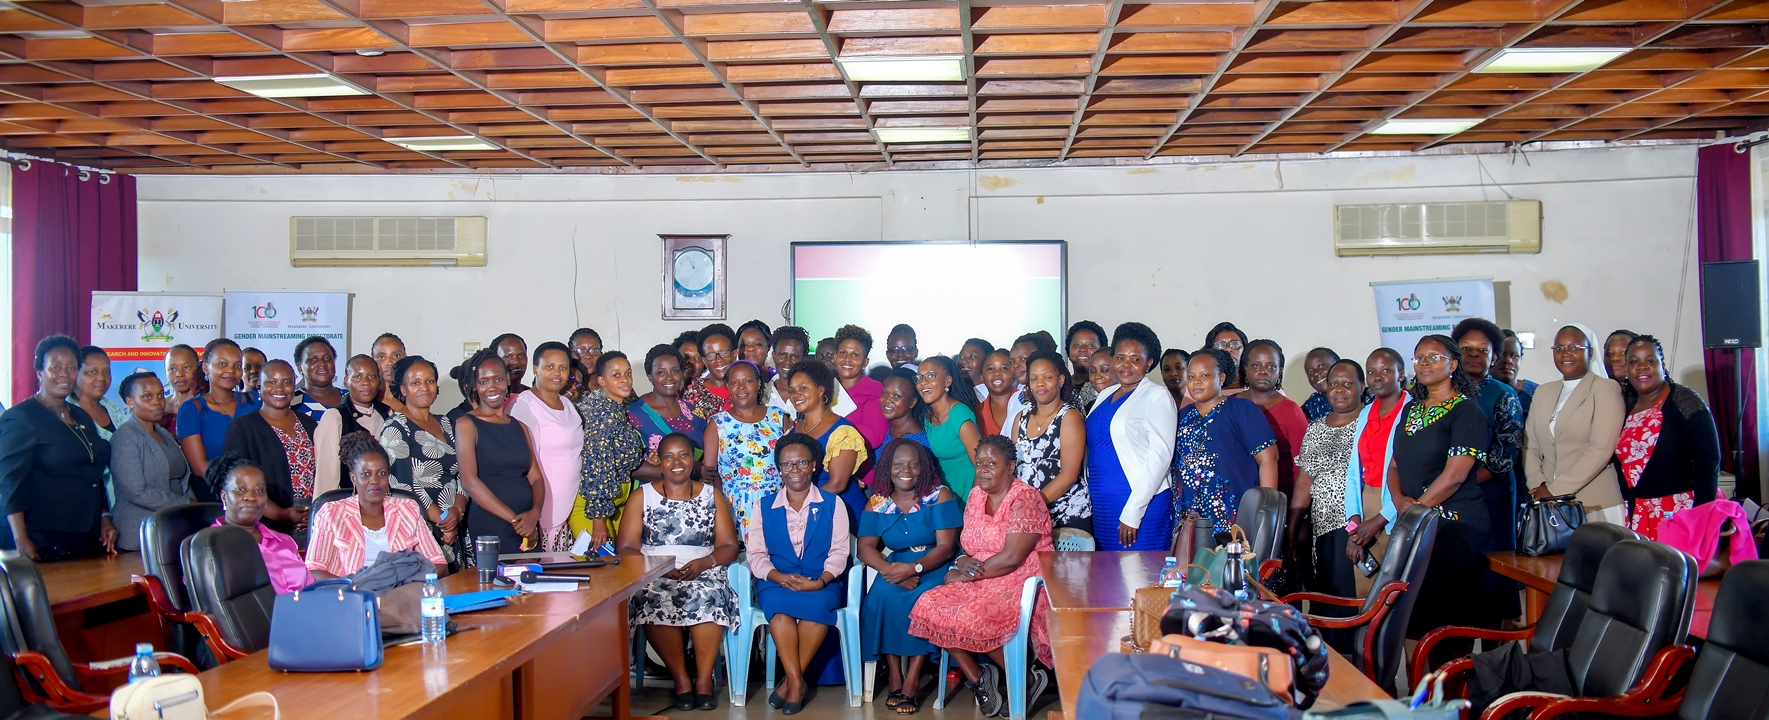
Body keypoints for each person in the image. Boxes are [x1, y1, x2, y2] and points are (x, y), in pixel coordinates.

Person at [908, 436, 1053, 718]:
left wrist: (965, 578)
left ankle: (1027, 679)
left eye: (992, 463)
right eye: (979, 464)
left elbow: (1011, 558)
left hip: (1020, 581)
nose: (983, 469)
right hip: (982, 577)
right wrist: (961, 561)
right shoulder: (976, 495)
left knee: (971, 614)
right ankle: (978, 678)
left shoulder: (1025, 499)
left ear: (1010, 467)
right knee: (929, 605)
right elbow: (969, 544)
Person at [617, 433, 740, 712]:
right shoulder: (642, 496)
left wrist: (704, 564)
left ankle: (704, 682)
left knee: (711, 594)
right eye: (669, 456)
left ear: (692, 461)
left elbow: (729, 545)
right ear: (659, 461)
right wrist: (659, 567)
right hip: (655, 571)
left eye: (683, 455)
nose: (676, 462)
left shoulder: (712, 496)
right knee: (652, 596)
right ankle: (682, 680)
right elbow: (625, 547)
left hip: (703, 567)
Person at [1389, 334, 1492, 634]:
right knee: (1412, 618)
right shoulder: (1410, 410)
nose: (1424, 364)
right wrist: (1399, 502)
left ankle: (1447, 679)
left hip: (1454, 526)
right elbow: (1394, 466)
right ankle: (1419, 680)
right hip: (1415, 522)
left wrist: (1416, 509)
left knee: (1446, 620)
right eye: (1419, 358)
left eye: (1433, 357)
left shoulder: (1466, 411)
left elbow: (1455, 476)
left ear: (1453, 365)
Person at [748, 434, 850, 715]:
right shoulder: (763, 506)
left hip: (821, 581)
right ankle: (795, 682)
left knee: (818, 609)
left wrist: (820, 581)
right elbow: (755, 554)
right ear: (779, 469)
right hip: (775, 582)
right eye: (787, 464)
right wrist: (778, 577)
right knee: (779, 614)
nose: (795, 470)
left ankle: (789, 683)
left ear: (814, 465)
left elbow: (840, 552)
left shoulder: (833, 504)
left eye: (801, 463)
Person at [857, 439, 960, 715]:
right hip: (895, 565)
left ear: (923, 467)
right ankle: (894, 675)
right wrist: (891, 571)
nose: (907, 470)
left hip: (932, 564)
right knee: (881, 596)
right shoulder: (877, 502)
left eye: (914, 464)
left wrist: (912, 569)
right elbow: (865, 547)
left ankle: (913, 678)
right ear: (888, 468)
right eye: (899, 464)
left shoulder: (939, 496)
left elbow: (946, 547)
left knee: (921, 599)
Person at [0, 336, 118, 560]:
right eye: (55, 367)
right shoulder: (20, 417)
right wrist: (20, 538)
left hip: (85, 534)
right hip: (40, 537)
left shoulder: (81, 415)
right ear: (39, 372)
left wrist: (104, 516)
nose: (64, 374)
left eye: (71, 367)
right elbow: (10, 483)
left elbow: (93, 470)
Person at [1452, 317, 1524, 622]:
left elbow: (1502, 459)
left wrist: (1455, 486)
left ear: (1494, 356)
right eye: (1466, 349)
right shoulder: (1441, 393)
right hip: (1451, 503)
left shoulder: (1504, 395)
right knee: (1458, 587)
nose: (1473, 355)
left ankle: (1493, 664)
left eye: (1482, 350)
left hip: (1490, 501)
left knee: (1493, 587)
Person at [1616, 335, 1720, 539]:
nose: (1642, 367)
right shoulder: (1627, 407)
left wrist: (1702, 516)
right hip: (1638, 513)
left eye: (1650, 361)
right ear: (1627, 369)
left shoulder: (1683, 400)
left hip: (1679, 512)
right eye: (1634, 362)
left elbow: (1708, 460)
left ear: (1662, 364)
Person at [1523, 324, 1627, 525]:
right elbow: (1530, 445)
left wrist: (1555, 490)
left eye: (1574, 348)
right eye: (1559, 348)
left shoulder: (1605, 389)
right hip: (1547, 502)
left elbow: (1601, 449)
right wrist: (1537, 484)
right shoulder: (1543, 392)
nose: (1566, 354)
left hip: (1595, 501)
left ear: (1589, 352)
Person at [307, 432, 448, 579]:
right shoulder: (331, 513)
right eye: (366, 474)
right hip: (353, 596)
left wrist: (407, 582)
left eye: (381, 473)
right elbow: (314, 569)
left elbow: (438, 563)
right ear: (353, 478)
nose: (374, 480)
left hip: (402, 594)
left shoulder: (407, 510)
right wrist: (354, 588)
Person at [1087, 322, 1178, 551]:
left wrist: (1132, 513)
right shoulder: (1105, 394)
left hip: (1139, 505)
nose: (1126, 365)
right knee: (1107, 579)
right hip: (1103, 504)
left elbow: (1160, 457)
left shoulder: (1157, 396)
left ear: (1148, 364)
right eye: (1120, 358)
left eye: (1135, 359)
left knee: (1140, 577)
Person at [1173, 347, 1279, 536]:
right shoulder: (1183, 416)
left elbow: (1268, 460)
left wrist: (1265, 514)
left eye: (1204, 375)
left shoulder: (1241, 410)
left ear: (1220, 378)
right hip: (1188, 520)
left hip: (1234, 520)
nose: (1196, 382)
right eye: (1191, 376)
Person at [1293, 360, 1365, 618]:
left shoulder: (1369, 423)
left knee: (1352, 597)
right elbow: (1304, 481)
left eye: (1347, 384)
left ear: (1362, 387)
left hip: (1358, 526)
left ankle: (1354, 656)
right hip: (1321, 527)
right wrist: (1293, 526)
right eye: (1334, 384)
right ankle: (1330, 655)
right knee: (1327, 596)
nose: (1339, 389)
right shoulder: (1316, 427)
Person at [454, 349, 545, 554]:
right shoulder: (466, 423)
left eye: (498, 379)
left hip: (528, 523)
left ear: (506, 382)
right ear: (475, 387)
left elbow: (536, 479)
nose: (492, 387)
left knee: (532, 584)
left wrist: (534, 514)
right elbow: (470, 481)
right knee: (497, 583)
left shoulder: (521, 427)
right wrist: (514, 520)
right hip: (492, 523)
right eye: (484, 382)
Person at [379, 355, 466, 570]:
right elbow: (402, 482)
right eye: (415, 383)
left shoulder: (446, 422)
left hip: (455, 523)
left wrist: (457, 511)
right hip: (420, 527)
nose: (424, 388)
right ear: (403, 389)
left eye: (429, 381)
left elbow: (463, 471)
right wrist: (443, 522)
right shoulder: (395, 427)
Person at [221, 360, 317, 542]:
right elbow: (237, 485)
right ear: (259, 385)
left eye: (287, 382)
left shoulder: (309, 423)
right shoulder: (242, 428)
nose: (279, 388)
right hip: (267, 522)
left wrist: (315, 510)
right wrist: (281, 514)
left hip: (312, 519)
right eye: (271, 382)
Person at [508, 342, 584, 552]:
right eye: (549, 367)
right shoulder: (525, 406)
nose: (557, 373)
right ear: (535, 369)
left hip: (571, 502)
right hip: (542, 504)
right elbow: (521, 463)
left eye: (562, 367)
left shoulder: (567, 404)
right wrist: (531, 509)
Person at [1344, 349, 1406, 596]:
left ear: (1402, 374)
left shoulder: (1411, 411)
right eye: (1371, 372)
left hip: (1397, 506)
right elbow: (1352, 473)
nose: (1377, 377)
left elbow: (1411, 476)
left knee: (1396, 593)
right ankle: (1368, 637)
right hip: (1366, 502)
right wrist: (1354, 526)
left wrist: (1381, 519)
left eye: (1386, 370)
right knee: (1367, 593)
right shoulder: (1365, 412)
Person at [110, 370, 193, 552]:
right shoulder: (125, 437)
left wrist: (191, 506)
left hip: (173, 527)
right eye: (147, 397)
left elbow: (182, 479)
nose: (157, 401)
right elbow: (137, 492)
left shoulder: (163, 433)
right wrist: (186, 504)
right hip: (140, 534)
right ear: (130, 402)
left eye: (160, 395)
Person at [206, 453, 311, 593]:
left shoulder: (284, 541)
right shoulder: (209, 546)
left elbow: (311, 587)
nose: (251, 497)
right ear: (224, 497)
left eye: (259, 490)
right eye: (240, 489)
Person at [705, 360, 789, 537]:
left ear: (758, 384)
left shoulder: (778, 418)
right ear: (727, 386)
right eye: (734, 382)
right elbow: (710, 475)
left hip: (776, 502)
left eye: (747, 381)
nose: (741, 387)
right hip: (735, 507)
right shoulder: (718, 424)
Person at [1013, 350, 1091, 536]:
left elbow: (1069, 475)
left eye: (1047, 377)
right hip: (1029, 519)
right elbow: (1014, 468)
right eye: (1034, 378)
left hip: (1066, 516)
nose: (1040, 383)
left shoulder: (1069, 417)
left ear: (1061, 380)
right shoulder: (1020, 418)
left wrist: (1032, 504)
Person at [576, 351, 646, 555]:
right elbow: (596, 465)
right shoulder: (604, 413)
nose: (625, 380)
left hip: (611, 506)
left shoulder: (617, 410)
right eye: (616, 375)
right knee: (601, 575)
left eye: (628, 373)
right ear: (601, 381)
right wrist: (598, 521)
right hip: (596, 509)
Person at [786, 360, 870, 519]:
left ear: (820, 390)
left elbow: (837, 484)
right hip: (804, 514)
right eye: (792, 390)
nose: (796, 395)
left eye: (803, 388)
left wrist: (801, 506)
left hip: (841, 514)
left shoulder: (843, 432)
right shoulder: (794, 429)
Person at [177, 338, 260, 487]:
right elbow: (199, 467)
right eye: (222, 364)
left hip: (259, 491)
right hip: (214, 494)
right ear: (206, 369)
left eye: (237, 365)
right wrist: (239, 487)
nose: (231, 370)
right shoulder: (192, 409)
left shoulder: (254, 400)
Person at [312, 355, 389, 497]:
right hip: (347, 506)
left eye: (371, 376)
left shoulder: (387, 415)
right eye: (358, 377)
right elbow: (327, 475)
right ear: (346, 381)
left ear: (379, 381)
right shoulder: (335, 418)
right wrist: (325, 511)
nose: (366, 382)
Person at [1242, 339, 1307, 498]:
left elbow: (1301, 464)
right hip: (1236, 497)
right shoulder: (1232, 405)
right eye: (1256, 366)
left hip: (1278, 499)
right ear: (1245, 369)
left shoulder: (1291, 411)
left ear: (1280, 372)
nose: (1263, 371)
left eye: (1271, 367)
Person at [918, 356, 981, 499]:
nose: (923, 382)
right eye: (920, 377)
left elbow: (982, 465)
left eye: (931, 376)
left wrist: (973, 504)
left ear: (947, 381)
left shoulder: (959, 414)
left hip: (970, 491)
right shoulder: (926, 415)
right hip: (946, 493)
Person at [632, 345, 706, 463]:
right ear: (650, 376)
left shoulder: (695, 413)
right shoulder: (633, 414)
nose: (669, 378)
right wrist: (695, 470)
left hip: (692, 482)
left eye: (675, 371)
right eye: (661, 372)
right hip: (650, 482)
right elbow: (627, 467)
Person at [833, 324, 888, 447]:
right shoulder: (825, 387)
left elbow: (874, 437)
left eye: (855, 355)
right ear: (835, 357)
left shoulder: (874, 390)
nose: (847, 359)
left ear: (865, 362)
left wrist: (832, 424)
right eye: (843, 353)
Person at [72, 346, 126, 441]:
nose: (101, 377)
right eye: (93, 371)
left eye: (106, 372)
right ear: (75, 374)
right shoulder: (66, 412)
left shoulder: (113, 408)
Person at [683, 324, 737, 418]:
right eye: (711, 355)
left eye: (724, 353)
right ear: (704, 360)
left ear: (734, 354)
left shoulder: (745, 389)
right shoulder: (692, 392)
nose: (719, 359)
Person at [291, 336, 342, 422]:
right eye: (313, 359)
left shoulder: (350, 397)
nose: (322, 364)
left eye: (327, 358)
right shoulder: (292, 402)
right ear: (300, 368)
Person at [879, 366, 930, 450]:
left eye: (896, 396)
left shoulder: (916, 442)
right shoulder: (885, 426)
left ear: (912, 402)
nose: (888, 400)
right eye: (885, 393)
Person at [766, 327, 810, 420]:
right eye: (782, 355)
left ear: (803, 360)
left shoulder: (811, 393)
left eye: (794, 357)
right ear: (774, 356)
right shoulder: (762, 393)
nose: (787, 362)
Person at [1495, 330, 1538, 421]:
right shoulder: (1477, 393)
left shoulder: (1536, 394)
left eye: (1515, 356)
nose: (1508, 360)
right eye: (1502, 355)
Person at [160, 344, 202, 435]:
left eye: (186, 367)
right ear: (165, 372)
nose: (179, 374)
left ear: (199, 369)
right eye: (172, 369)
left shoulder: (208, 406)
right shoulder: (160, 407)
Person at [977, 349, 1018, 437]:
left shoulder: (1029, 401)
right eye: (990, 369)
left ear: (1014, 374)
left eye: (1004, 368)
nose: (997, 373)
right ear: (981, 377)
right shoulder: (977, 412)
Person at [1065, 320, 1108, 404]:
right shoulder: (1060, 385)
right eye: (1076, 345)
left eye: (1091, 345)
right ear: (1068, 351)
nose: (1083, 349)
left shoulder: (1107, 385)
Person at [371, 333, 408, 415]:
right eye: (381, 357)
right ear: (372, 361)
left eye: (396, 356)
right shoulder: (364, 400)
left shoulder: (414, 399)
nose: (389, 362)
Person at [1205, 322, 1250, 390]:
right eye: (1220, 345)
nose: (1228, 349)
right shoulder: (1203, 384)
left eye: (1235, 344)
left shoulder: (1255, 384)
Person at [1300, 348, 1339, 422]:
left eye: (1321, 366)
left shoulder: (1364, 397)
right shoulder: (1310, 407)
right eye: (1310, 372)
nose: (1315, 373)